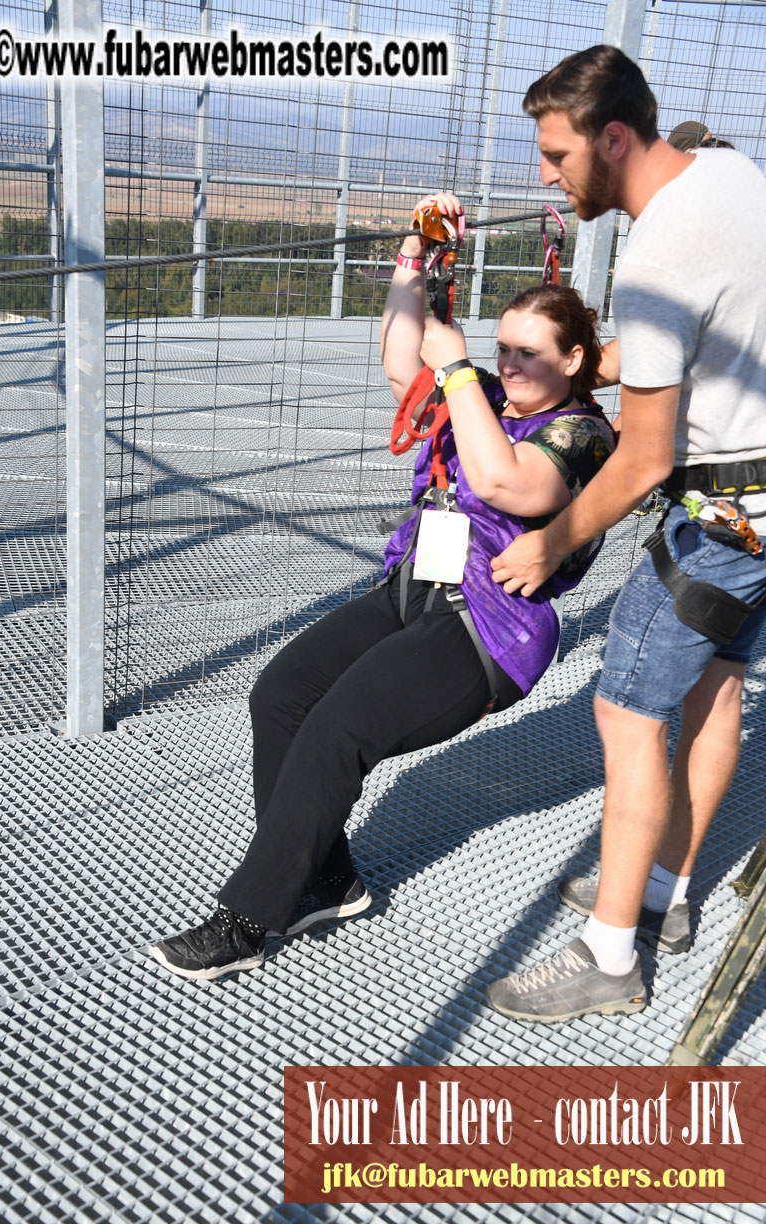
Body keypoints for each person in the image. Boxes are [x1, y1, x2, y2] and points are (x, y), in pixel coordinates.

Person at [149, 193, 615, 981]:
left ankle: (254, 915)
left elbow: (512, 486)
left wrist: (462, 369)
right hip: (414, 587)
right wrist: (415, 252)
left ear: (574, 361)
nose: (509, 365)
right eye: (502, 349)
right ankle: (329, 879)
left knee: (337, 729)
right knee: (282, 693)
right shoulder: (489, 393)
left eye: (529, 354)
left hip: (487, 627)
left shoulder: (582, 432)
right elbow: (406, 359)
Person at [486, 45, 766, 1024]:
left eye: (558, 154)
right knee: (716, 682)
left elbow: (644, 461)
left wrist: (550, 544)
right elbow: (720, 318)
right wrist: (605, 360)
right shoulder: (732, 174)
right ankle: (662, 895)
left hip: (722, 513)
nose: (548, 175)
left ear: (612, 138)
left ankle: (609, 956)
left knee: (629, 713)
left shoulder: (654, 257)